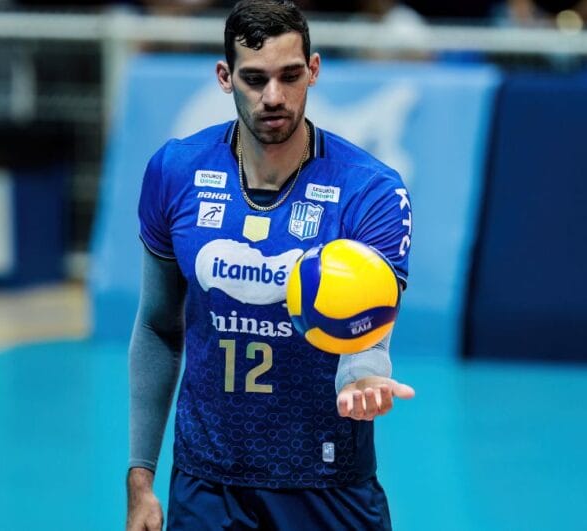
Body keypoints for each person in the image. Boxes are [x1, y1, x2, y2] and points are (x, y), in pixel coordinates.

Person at [125, 1, 415, 529]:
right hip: (207, 484)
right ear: (225, 77)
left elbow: (370, 328)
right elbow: (157, 326)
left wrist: (363, 376)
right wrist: (140, 479)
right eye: (255, 79)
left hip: (326, 482)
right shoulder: (176, 171)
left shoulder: (369, 189)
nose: (274, 96)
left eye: (290, 76)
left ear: (314, 70)